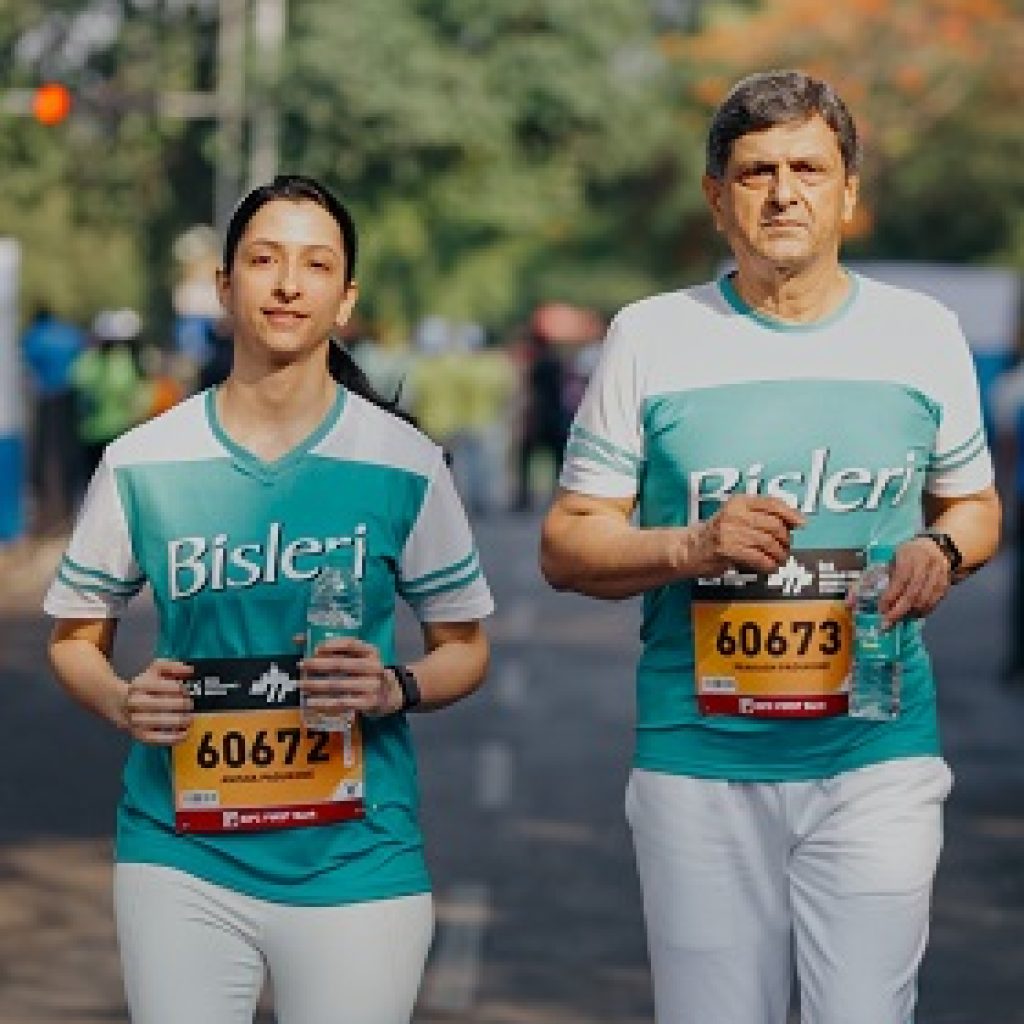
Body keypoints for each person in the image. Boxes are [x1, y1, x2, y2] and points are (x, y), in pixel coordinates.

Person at [540, 70, 1000, 1024]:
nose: (784, 193)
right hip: (698, 761)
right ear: (718, 198)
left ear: (848, 193)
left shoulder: (922, 334)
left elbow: (974, 506)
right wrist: (692, 546)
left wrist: (941, 552)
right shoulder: (651, 336)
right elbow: (568, 545)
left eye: (808, 169)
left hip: (877, 748)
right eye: (757, 173)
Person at [44, 174, 493, 1024]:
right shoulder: (142, 461)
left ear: (345, 298)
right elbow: (74, 642)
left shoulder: (403, 462)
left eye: (315, 265)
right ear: (225, 285)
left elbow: (466, 649)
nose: (288, 284)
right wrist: (123, 701)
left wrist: (393, 685)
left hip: (356, 859)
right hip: (179, 853)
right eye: (263, 260)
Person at [21, 305, 85, 532]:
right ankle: (69, 506)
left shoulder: (34, 336)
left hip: (47, 399)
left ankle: (46, 510)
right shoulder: (69, 333)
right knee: (69, 452)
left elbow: (27, 364)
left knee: (44, 453)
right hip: (71, 397)